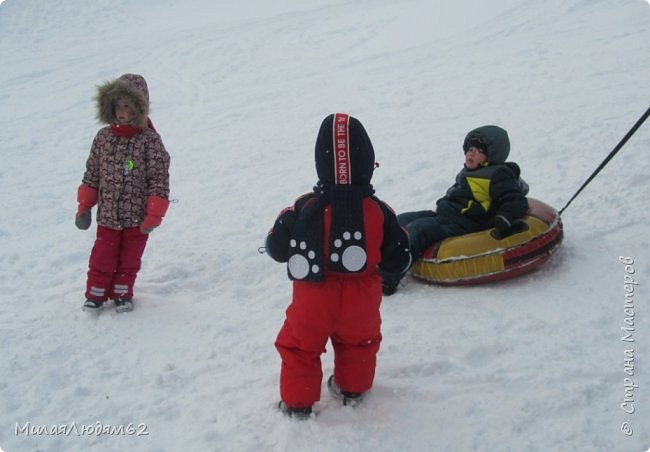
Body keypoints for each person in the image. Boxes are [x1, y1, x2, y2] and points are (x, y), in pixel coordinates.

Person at [265, 113, 411, 419]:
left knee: (300, 348)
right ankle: (352, 388)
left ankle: (298, 404)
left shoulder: (303, 207)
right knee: (359, 342)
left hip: (313, 297)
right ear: (368, 164)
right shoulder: (379, 211)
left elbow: (276, 249)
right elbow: (399, 258)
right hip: (362, 296)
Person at [387, 125, 529, 295]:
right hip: (446, 215)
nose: (471, 154)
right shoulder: (471, 171)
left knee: (419, 229)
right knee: (401, 220)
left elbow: (515, 199)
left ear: (492, 155)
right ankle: (379, 255)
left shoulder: (497, 174)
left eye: (478, 151)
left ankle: (389, 276)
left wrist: (505, 216)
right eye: (470, 149)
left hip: (465, 223)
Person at [75, 73, 171, 313]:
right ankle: (95, 294)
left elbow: (159, 179)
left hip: (136, 218)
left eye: (128, 106)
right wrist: (84, 207)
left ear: (139, 108)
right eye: (118, 104)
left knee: (129, 259)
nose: (121, 111)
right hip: (108, 216)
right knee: (102, 256)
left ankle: (122, 293)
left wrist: (154, 215)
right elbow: (92, 174)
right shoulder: (103, 138)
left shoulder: (149, 141)